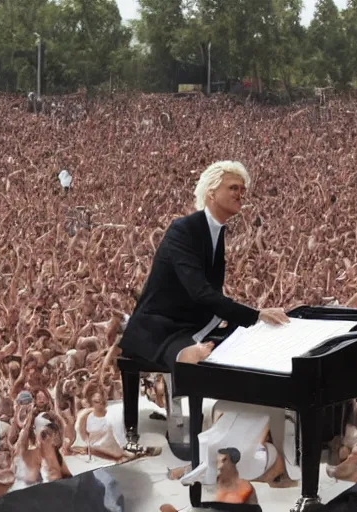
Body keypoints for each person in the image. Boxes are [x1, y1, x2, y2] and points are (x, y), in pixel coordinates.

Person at [118, 160, 289, 452]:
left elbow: (210, 294)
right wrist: (254, 315)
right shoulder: (182, 229)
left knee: (249, 344)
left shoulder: (216, 232)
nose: (240, 195)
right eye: (233, 188)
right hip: (159, 325)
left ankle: (245, 429)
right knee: (192, 354)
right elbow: (200, 292)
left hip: (194, 322)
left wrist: (244, 323)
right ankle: (193, 437)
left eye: (243, 190)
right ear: (211, 192)